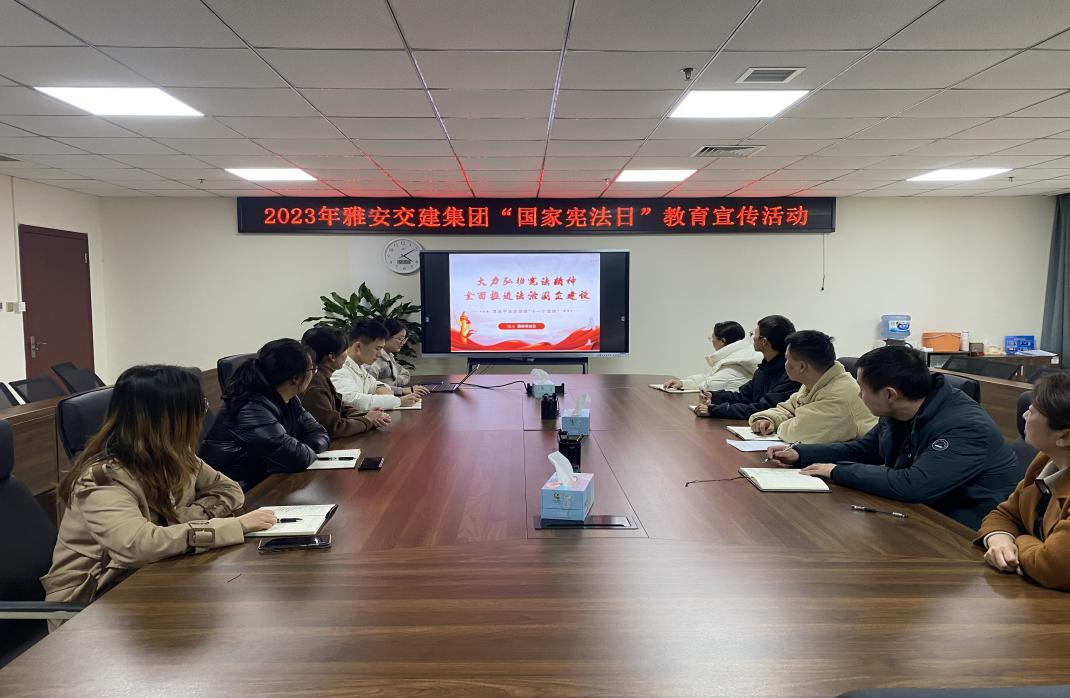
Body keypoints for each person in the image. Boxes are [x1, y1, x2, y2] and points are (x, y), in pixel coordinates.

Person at [42, 365, 276, 621]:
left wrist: (177, 521)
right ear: (170, 417)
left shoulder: (178, 456)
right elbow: (138, 545)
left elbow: (230, 490)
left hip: (148, 576)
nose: (203, 413)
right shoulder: (102, 479)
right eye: (199, 406)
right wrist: (232, 527)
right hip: (91, 605)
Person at [766, 345, 1019, 529]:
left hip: (964, 531)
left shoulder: (965, 426)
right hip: (920, 513)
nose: (859, 396)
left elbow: (915, 484)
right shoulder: (897, 411)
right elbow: (864, 449)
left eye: (862, 390)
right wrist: (800, 453)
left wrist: (836, 471)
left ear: (890, 394)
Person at [977, 373, 1070, 590]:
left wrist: (1018, 539)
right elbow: (1004, 514)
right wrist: (1000, 539)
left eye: (1034, 411)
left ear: (1065, 436)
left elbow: (1054, 568)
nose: (1025, 415)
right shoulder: (1045, 461)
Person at [199, 339, 330, 489]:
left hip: (263, 478)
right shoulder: (250, 407)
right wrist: (302, 449)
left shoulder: (289, 398)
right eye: (312, 369)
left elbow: (319, 432)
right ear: (295, 378)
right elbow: (297, 458)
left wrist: (302, 448)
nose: (313, 374)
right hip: (234, 489)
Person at [749, 330, 876, 443]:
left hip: (861, 459)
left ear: (801, 367)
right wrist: (767, 419)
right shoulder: (817, 382)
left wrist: (778, 425)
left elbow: (797, 433)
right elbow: (788, 408)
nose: (785, 364)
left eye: (787, 359)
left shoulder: (839, 394)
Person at [694, 315, 800, 419]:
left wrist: (714, 410)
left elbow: (763, 409)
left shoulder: (791, 375)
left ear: (764, 341)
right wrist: (714, 396)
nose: (752, 338)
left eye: (753, 334)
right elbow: (744, 396)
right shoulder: (764, 368)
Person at [301, 326, 392, 438]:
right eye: (344, 350)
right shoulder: (315, 382)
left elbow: (340, 407)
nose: (347, 354)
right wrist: (367, 420)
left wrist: (366, 415)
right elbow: (333, 428)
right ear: (332, 356)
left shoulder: (322, 377)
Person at [332, 318, 420, 412]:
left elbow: (373, 383)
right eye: (377, 349)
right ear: (358, 346)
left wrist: (379, 387)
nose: (380, 354)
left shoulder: (358, 366)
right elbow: (353, 401)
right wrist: (398, 401)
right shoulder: (339, 369)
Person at [662, 320, 760, 392]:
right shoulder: (738, 356)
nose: (712, 342)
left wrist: (684, 384)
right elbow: (709, 377)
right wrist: (683, 383)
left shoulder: (737, 362)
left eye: (712, 339)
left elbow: (708, 386)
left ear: (722, 341)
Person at [369, 318, 429, 398]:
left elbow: (406, 374)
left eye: (404, 339)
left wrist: (393, 382)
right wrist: (400, 389)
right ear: (386, 336)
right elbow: (369, 388)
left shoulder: (389, 356)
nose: (403, 343)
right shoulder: (374, 358)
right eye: (400, 339)